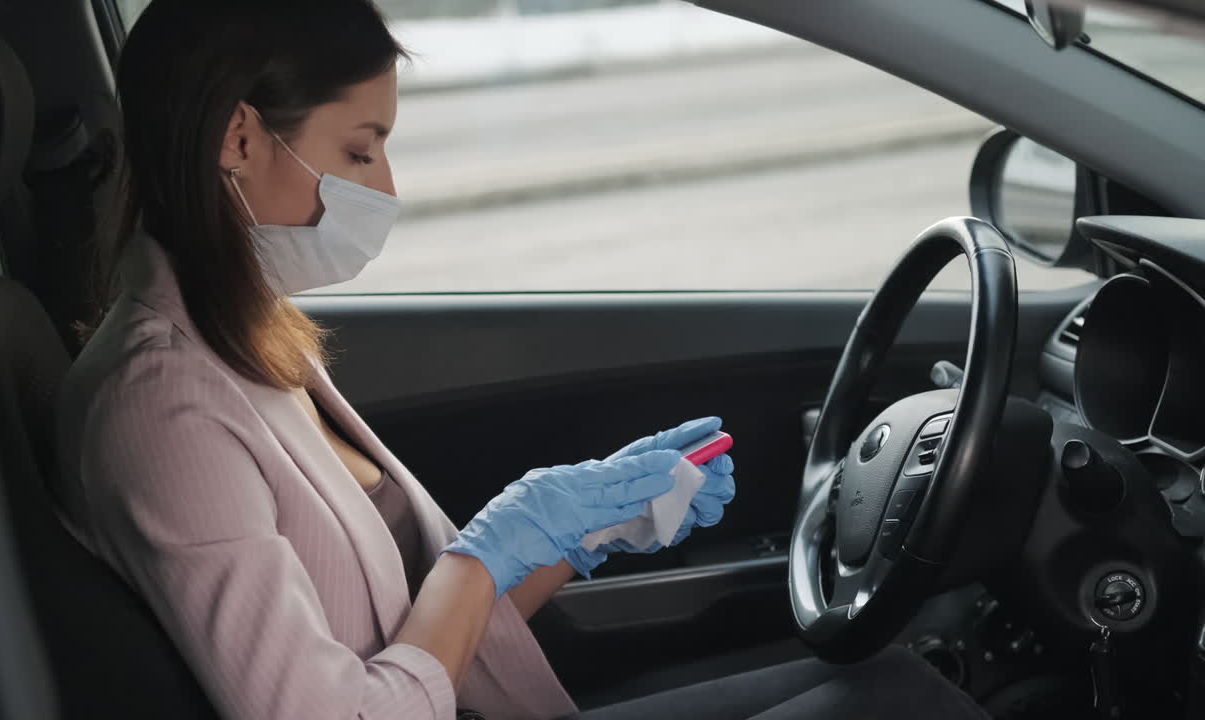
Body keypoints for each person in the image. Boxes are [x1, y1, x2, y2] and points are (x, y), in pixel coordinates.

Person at [52, 1, 988, 719]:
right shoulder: (164, 407)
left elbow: (408, 630)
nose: (385, 188)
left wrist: (586, 529)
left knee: (898, 684)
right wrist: (485, 552)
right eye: (360, 150)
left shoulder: (243, 332)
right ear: (240, 137)